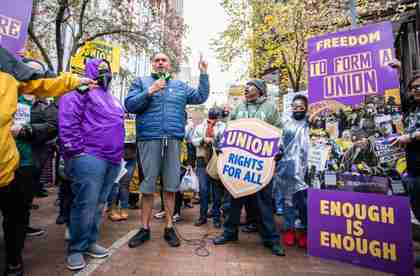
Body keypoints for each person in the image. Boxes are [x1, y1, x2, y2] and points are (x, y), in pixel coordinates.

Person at [0, 46, 94, 276]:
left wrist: (73, 80)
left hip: (12, 167)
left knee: (16, 217)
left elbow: (43, 83)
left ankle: (14, 259)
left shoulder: (8, 71)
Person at [125, 52, 209, 248]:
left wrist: (204, 73)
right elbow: (129, 104)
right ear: (152, 64)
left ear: (169, 65)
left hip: (172, 139)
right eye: (157, 60)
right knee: (147, 187)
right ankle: (144, 229)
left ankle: (169, 227)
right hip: (149, 139)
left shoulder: (179, 86)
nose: (161, 63)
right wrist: (150, 91)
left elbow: (200, 96)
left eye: (164, 60)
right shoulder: (141, 82)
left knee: (171, 186)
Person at [59, 59, 124, 271]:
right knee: (85, 204)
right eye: (101, 68)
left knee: (99, 204)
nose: (105, 72)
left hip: (112, 160)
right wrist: (76, 151)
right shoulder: (80, 89)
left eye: (108, 68)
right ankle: (76, 249)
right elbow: (68, 120)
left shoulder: (112, 98)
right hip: (89, 157)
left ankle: (89, 242)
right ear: (92, 70)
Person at [213, 79, 285, 256]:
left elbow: (278, 131)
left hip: (260, 166)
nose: (246, 89)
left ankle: (271, 239)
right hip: (238, 165)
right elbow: (229, 129)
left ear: (260, 90)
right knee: (232, 202)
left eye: (250, 86)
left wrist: (278, 148)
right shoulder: (239, 108)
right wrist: (221, 144)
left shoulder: (270, 108)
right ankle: (230, 233)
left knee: (264, 204)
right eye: (245, 86)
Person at [274, 95, 310, 248]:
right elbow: (279, 143)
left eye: (301, 107)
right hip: (287, 169)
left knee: (303, 203)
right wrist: (277, 153)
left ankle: (304, 231)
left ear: (306, 108)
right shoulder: (286, 124)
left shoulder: (311, 124)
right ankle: (288, 229)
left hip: (305, 169)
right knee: (288, 202)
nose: (298, 110)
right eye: (295, 107)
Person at [393, 74, 420, 267]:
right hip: (413, 168)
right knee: (418, 211)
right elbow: (397, 96)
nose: (416, 90)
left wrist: (410, 137)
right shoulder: (413, 107)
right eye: (414, 88)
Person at [191, 107, 226, 228]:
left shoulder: (223, 127)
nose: (214, 118)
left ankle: (216, 217)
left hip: (216, 160)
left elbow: (226, 142)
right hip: (202, 160)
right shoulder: (200, 126)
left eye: (216, 116)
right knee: (203, 190)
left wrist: (215, 140)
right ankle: (203, 216)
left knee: (216, 191)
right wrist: (202, 140)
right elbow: (193, 140)